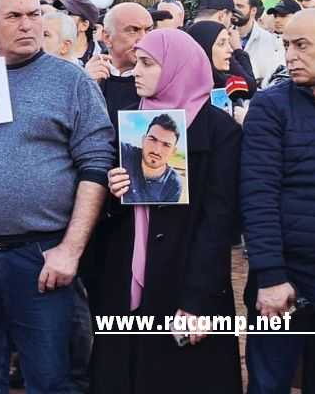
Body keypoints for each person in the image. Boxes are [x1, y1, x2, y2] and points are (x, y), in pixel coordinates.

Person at [0, 0, 114, 392]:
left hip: (40, 254)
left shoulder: (71, 81)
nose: (26, 25)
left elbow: (96, 166)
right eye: (14, 16)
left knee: (49, 378)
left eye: (34, 14)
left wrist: (70, 250)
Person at [93, 27, 243, 394]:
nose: (136, 71)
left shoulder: (219, 129)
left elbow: (219, 221)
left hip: (185, 279)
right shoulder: (131, 120)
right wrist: (115, 190)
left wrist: (197, 300)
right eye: (137, 62)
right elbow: (114, 215)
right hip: (126, 281)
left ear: (177, 67)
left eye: (147, 63)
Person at [240, 8, 315, 394]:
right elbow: (258, 195)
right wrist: (271, 276)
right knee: (269, 383)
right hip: (286, 277)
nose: (290, 56)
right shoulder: (271, 106)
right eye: (286, 45)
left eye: (301, 45)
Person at [119, 113, 184, 204]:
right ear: (143, 140)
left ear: (173, 151)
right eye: (153, 139)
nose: (156, 151)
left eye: (166, 145)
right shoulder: (125, 153)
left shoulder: (174, 184)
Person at [232, 0, 284, 87]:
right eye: (233, 5)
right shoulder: (223, 36)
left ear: (253, 10)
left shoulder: (269, 40)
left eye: (240, 6)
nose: (234, 10)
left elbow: (268, 75)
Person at [57, 0, 101, 65]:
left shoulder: (102, 56)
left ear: (84, 25)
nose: (60, 17)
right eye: (59, 12)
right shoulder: (48, 52)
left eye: (67, 13)